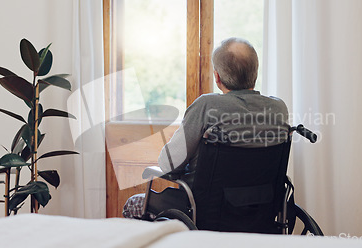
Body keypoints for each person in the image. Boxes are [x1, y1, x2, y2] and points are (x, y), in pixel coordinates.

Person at [122, 37, 290, 219]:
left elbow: (168, 164)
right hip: (260, 211)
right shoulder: (277, 108)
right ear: (255, 73)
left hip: (204, 210)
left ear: (217, 77)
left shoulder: (207, 106)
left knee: (133, 204)